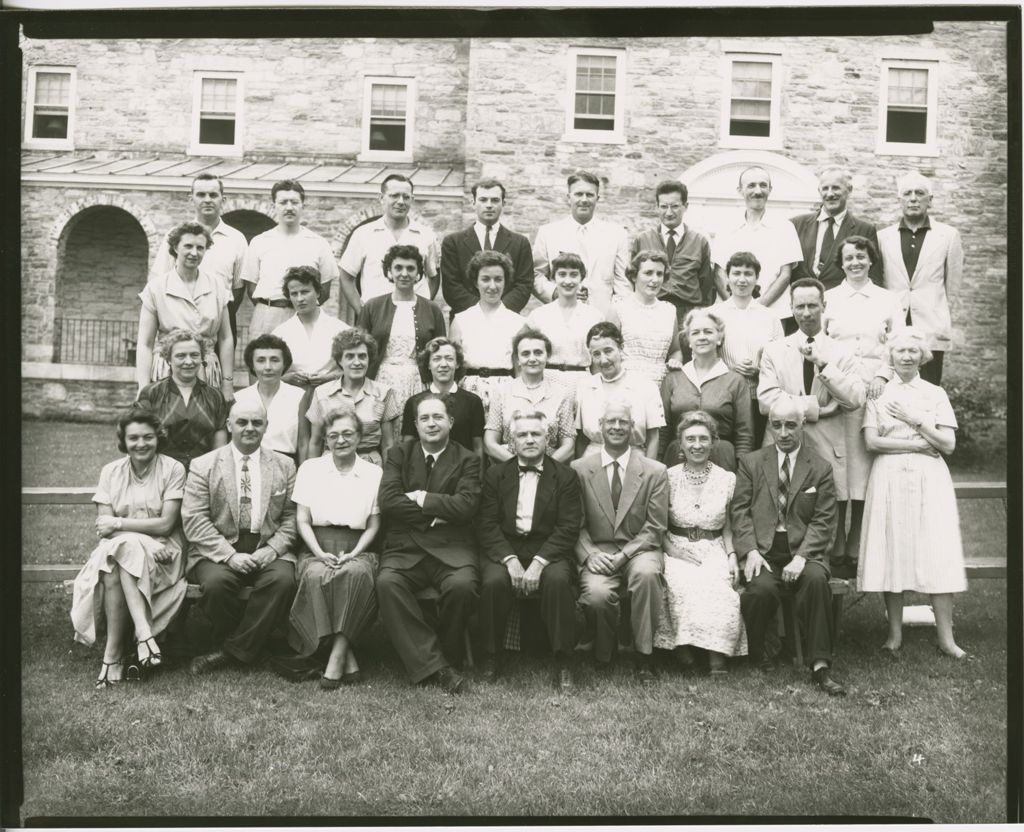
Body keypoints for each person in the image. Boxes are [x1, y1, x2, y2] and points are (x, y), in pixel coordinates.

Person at [858, 328, 968, 658]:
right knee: (892, 548)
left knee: (937, 549)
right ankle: (894, 634)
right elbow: (872, 441)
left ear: (923, 356)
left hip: (929, 479)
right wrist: (919, 443)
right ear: (889, 357)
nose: (906, 356)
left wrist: (915, 419)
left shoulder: (935, 394)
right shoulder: (878, 393)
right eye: (900, 351)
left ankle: (946, 637)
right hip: (889, 477)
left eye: (912, 351)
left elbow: (947, 444)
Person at [731, 396, 846, 696]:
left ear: (803, 425)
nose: (783, 433)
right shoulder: (752, 463)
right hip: (764, 549)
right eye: (777, 425)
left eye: (791, 426)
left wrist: (803, 557)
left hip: (804, 549)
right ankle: (760, 651)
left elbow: (824, 520)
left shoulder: (819, 468)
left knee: (817, 582)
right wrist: (750, 551)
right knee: (759, 590)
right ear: (769, 426)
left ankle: (820, 665)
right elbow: (739, 511)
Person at [70, 408, 188, 688]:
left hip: (164, 554)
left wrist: (122, 524)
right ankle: (144, 635)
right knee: (122, 554)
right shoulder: (110, 472)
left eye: (148, 437)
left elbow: (166, 525)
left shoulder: (173, 469)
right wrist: (143, 538)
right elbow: (103, 528)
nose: (141, 444)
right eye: (133, 438)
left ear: (158, 438)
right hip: (123, 549)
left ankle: (113, 656)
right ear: (123, 440)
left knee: (118, 559)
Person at [758, 278, 866, 577]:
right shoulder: (775, 350)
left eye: (812, 306)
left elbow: (856, 397)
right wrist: (818, 408)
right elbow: (767, 401)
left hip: (827, 446)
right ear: (791, 308)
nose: (806, 313)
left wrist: (824, 365)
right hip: (783, 442)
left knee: (825, 510)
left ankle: (822, 567)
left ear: (824, 307)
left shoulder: (841, 352)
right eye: (800, 306)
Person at [376, 393, 482, 694]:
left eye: (438, 417)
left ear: (450, 422)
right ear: (415, 424)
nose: (431, 423)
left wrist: (422, 498)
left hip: (451, 547)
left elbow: (467, 506)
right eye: (424, 418)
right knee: (387, 583)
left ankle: (444, 654)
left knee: (462, 586)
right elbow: (388, 502)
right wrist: (438, 513)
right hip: (405, 547)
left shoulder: (468, 460)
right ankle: (438, 667)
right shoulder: (399, 453)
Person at [183, 399, 298, 675]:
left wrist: (271, 550)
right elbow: (194, 519)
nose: (249, 428)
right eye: (242, 422)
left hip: (267, 544)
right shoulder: (204, 465)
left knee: (282, 581)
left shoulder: (285, 465)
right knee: (217, 585)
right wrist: (230, 556)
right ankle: (253, 646)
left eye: (257, 423)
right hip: (218, 546)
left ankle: (229, 651)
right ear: (229, 425)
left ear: (266, 426)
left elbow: (293, 518)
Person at [476, 411, 582, 690]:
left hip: (548, 548)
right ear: (511, 442)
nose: (530, 439)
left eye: (536, 434)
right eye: (522, 434)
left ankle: (564, 660)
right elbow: (486, 524)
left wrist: (538, 563)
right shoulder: (495, 475)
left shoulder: (566, 477)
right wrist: (510, 560)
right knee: (493, 581)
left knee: (558, 581)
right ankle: (490, 655)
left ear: (548, 439)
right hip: (505, 547)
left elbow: (569, 528)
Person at [822, 237, 904, 576]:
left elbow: (899, 341)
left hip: (874, 388)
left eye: (861, 257)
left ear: (871, 261)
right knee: (838, 464)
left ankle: (857, 539)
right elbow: (822, 339)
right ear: (841, 263)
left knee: (863, 466)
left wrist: (884, 376)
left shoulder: (888, 298)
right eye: (849, 258)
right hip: (839, 387)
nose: (855, 262)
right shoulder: (830, 297)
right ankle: (836, 538)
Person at [284, 410, 383, 688]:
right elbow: (302, 520)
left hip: (358, 546)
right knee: (317, 577)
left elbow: (374, 525)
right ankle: (347, 655)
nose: (341, 440)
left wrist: (355, 552)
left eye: (347, 434)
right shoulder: (310, 469)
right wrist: (317, 552)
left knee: (355, 575)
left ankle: (336, 656)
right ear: (325, 440)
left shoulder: (374, 472)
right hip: (317, 545)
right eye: (333, 435)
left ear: (360, 437)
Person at [572, 399, 669, 681]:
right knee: (597, 595)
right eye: (610, 421)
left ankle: (644, 655)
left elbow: (655, 526)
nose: (616, 427)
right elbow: (574, 525)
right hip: (598, 549)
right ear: (599, 426)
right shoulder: (579, 469)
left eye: (623, 422)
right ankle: (605, 650)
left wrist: (625, 555)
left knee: (647, 576)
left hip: (640, 549)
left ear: (633, 428)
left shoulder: (654, 471)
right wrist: (590, 554)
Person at [652, 411, 747, 673]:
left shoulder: (727, 479)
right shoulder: (667, 476)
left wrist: (731, 555)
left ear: (713, 442)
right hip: (675, 546)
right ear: (680, 444)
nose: (697, 445)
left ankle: (717, 654)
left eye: (703, 439)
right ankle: (685, 652)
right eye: (690, 439)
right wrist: (672, 550)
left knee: (720, 587)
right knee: (682, 584)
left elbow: (728, 525)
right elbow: (656, 522)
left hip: (714, 547)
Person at [877, 172, 964, 385]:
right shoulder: (883, 237)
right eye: (907, 193)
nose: (913, 198)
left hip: (930, 327)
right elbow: (879, 283)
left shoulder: (948, 235)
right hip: (895, 326)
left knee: (929, 389)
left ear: (930, 200)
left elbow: (953, 287)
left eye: (920, 193)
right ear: (900, 200)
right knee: (891, 389)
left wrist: (943, 319)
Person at [136, 221, 234, 400]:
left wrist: (228, 384)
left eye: (200, 247)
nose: (194, 253)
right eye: (188, 246)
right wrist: (143, 388)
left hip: (206, 368)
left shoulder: (218, 287)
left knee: (206, 422)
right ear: (175, 247)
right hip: (168, 368)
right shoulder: (156, 288)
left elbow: (226, 338)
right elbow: (145, 343)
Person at [149, 173, 248, 340]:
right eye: (201, 194)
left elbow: (238, 288)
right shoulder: (175, 235)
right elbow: (158, 280)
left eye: (213, 195)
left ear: (223, 200)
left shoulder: (237, 239)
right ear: (191, 199)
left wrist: (218, 311)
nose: (207, 199)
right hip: (178, 321)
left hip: (220, 320)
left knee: (218, 366)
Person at [356, 244, 447, 417]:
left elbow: (440, 352)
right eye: (398, 268)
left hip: (418, 381)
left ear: (418, 274)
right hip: (380, 380)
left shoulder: (432, 309)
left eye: (410, 268)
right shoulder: (372, 307)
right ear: (389, 271)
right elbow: (360, 349)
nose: (404, 274)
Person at [242, 179, 339, 340]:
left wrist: (303, 309)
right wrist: (274, 306)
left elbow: (324, 290)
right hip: (267, 315)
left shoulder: (318, 243)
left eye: (294, 202)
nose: (289, 207)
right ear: (274, 205)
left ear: (303, 206)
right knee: (264, 362)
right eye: (283, 202)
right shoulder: (259, 242)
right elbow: (251, 288)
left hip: (305, 316)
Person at [660, 309, 754, 472]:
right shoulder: (673, 379)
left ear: (719, 338)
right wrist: (658, 467)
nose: (702, 337)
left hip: (722, 459)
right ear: (688, 340)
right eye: (695, 333)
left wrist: (742, 472)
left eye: (708, 332)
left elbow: (745, 434)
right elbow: (662, 430)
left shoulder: (735, 380)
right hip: (677, 458)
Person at [711, 165, 803, 332]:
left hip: (772, 312)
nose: (758, 191)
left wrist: (758, 307)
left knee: (769, 356)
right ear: (740, 190)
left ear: (770, 189)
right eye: (751, 185)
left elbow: (785, 275)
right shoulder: (725, 226)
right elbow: (718, 273)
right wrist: (736, 305)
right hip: (729, 313)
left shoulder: (785, 227)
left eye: (763, 185)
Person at [532, 170, 630, 316]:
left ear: (598, 198)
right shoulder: (548, 233)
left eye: (590, 195)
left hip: (603, 319)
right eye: (578, 194)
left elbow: (623, 283)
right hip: (561, 316)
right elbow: (536, 275)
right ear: (568, 197)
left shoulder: (616, 234)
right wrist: (555, 292)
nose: (584, 200)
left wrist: (617, 316)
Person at [711, 251, 784, 446]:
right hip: (723, 398)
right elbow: (703, 356)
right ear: (728, 276)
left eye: (748, 274)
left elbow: (781, 361)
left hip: (758, 398)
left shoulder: (770, 317)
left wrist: (759, 371)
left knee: (756, 451)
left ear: (756, 278)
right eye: (736, 273)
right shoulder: (714, 314)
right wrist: (730, 371)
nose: (742, 280)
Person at [339, 174, 439, 314]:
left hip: (414, 315)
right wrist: (361, 312)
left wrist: (424, 307)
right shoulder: (363, 234)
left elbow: (433, 277)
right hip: (376, 316)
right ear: (381, 198)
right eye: (394, 196)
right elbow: (346, 276)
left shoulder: (426, 235)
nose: (400, 201)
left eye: (406, 197)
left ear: (412, 199)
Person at [629, 180, 716, 337]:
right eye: (664, 206)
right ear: (657, 207)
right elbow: (632, 279)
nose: (669, 212)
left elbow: (707, 286)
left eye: (675, 206)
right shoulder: (642, 240)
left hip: (687, 314)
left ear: (685, 206)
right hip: (651, 311)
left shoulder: (699, 241)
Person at [134, 329, 229, 471]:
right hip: (161, 477)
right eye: (181, 356)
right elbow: (138, 442)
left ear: (202, 358)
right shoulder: (151, 394)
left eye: (195, 355)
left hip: (203, 479)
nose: (189, 361)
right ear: (168, 359)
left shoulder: (215, 397)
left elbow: (220, 452)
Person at [304, 328, 399, 466]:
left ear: (369, 359)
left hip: (370, 464)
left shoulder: (383, 392)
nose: (357, 362)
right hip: (331, 464)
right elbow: (316, 441)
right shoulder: (322, 393)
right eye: (350, 356)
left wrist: (387, 479)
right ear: (339, 360)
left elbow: (388, 444)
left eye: (362, 356)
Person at [440, 178, 534, 316]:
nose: (489, 205)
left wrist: (500, 312)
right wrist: (479, 312)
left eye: (495, 200)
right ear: (473, 202)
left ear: (503, 203)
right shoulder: (453, 242)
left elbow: (524, 285)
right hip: (467, 318)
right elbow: (451, 286)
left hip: (506, 319)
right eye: (483, 200)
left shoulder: (520, 243)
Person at [449, 250, 528, 413]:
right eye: (485, 279)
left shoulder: (518, 323)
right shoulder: (461, 320)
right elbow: (453, 367)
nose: (492, 286)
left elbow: (520, 370)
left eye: (498, 279)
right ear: (476, 282)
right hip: (468, 392)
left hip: (505, 392)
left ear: (505, 282)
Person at [483, 328, 575, 464]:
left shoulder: (562, 393)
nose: (532, 358)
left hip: (549, 471)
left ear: (547, 356)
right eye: (525, 354)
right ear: (517, 359)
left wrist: (544, 467)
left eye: (538, 353)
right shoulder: (502, 391)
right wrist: (518, 465)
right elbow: (490, 442)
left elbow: (568, 445)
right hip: (510, 469)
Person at [576, 322, 665, 459]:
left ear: (621, 348)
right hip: (593, 459)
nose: (603, 360)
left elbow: (653, 438)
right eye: (596, 354)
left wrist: (649, 473)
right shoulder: (585, 387)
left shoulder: (645, 386)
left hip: (634, 459)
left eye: (608, 351)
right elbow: (581, 439)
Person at [790, 166, 883, 291]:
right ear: (819, 191)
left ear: (849, 190)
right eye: (825, 188)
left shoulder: (865, 230)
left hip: (843, 304)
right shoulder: (796, 225)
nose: (830, 194)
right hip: (804, 304)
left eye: (836, 188)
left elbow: (873, 278)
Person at [525, 252, 605, 393]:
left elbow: (598, 360)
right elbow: (524, 353)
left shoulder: (595, 316)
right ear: (554, 278)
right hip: (547, 382)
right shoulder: (538, 315)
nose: (568, 281)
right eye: (562, 274)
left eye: (573, 275)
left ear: (581, 277)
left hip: (582, 384)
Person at [607, 249, 682, 388]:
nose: (655, 280)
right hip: (626, 384)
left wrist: (675, 361)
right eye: (648, 273)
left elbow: (675, 351)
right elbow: (607, 352)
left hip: (661, 385)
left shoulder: (669, 310)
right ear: (634, 276)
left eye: (660, 274)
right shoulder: (618, 308)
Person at [401, 337, 485, 459]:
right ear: (428, 364)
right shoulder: (414, 402)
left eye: (449, 358)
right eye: (436, 359)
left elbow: (478, 447)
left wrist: (476, 477)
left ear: (457, 364)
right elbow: (408, 447)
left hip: (464, 473)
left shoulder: (473, 402)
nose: (443, 364)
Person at [271, 265, 349, 391]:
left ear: (318, 292)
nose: (300, 299)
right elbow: (268, 375)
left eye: (305, 292)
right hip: (292, 397)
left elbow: (355, 371)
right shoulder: (280, 333)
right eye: (294, 294)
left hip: (332, 396)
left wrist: (328, 378)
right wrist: (287, 378)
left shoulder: (341, 330)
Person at [233, 334, 305, 464]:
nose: (268, 367)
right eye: (261, 360)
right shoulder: (240, 398)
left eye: (275, 360)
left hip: (286, 465)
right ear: (252, 365)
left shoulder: (299, 396)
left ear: (285, 364)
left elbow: (304, 443)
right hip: (247, 464)